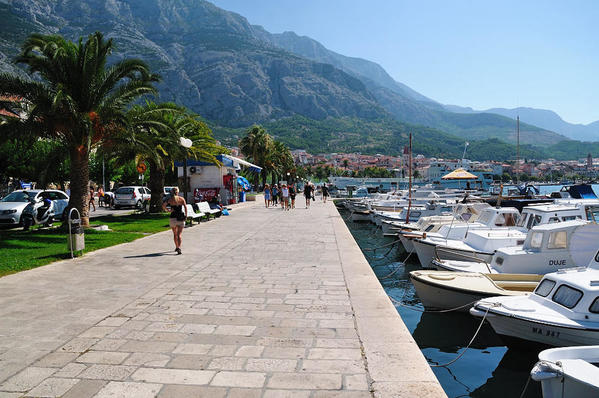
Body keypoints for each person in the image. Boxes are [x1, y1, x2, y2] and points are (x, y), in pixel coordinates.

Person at [162, 187, 187, 255]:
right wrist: (186, 216)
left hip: (173, 218)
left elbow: (163, 206)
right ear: (178, 192)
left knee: (175, 234)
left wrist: (168, 210)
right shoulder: (181, 199)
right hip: (180, 218)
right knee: (179, 235)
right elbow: (185, 207)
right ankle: (179, 247)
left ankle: (176, 247)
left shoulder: (170, 200)